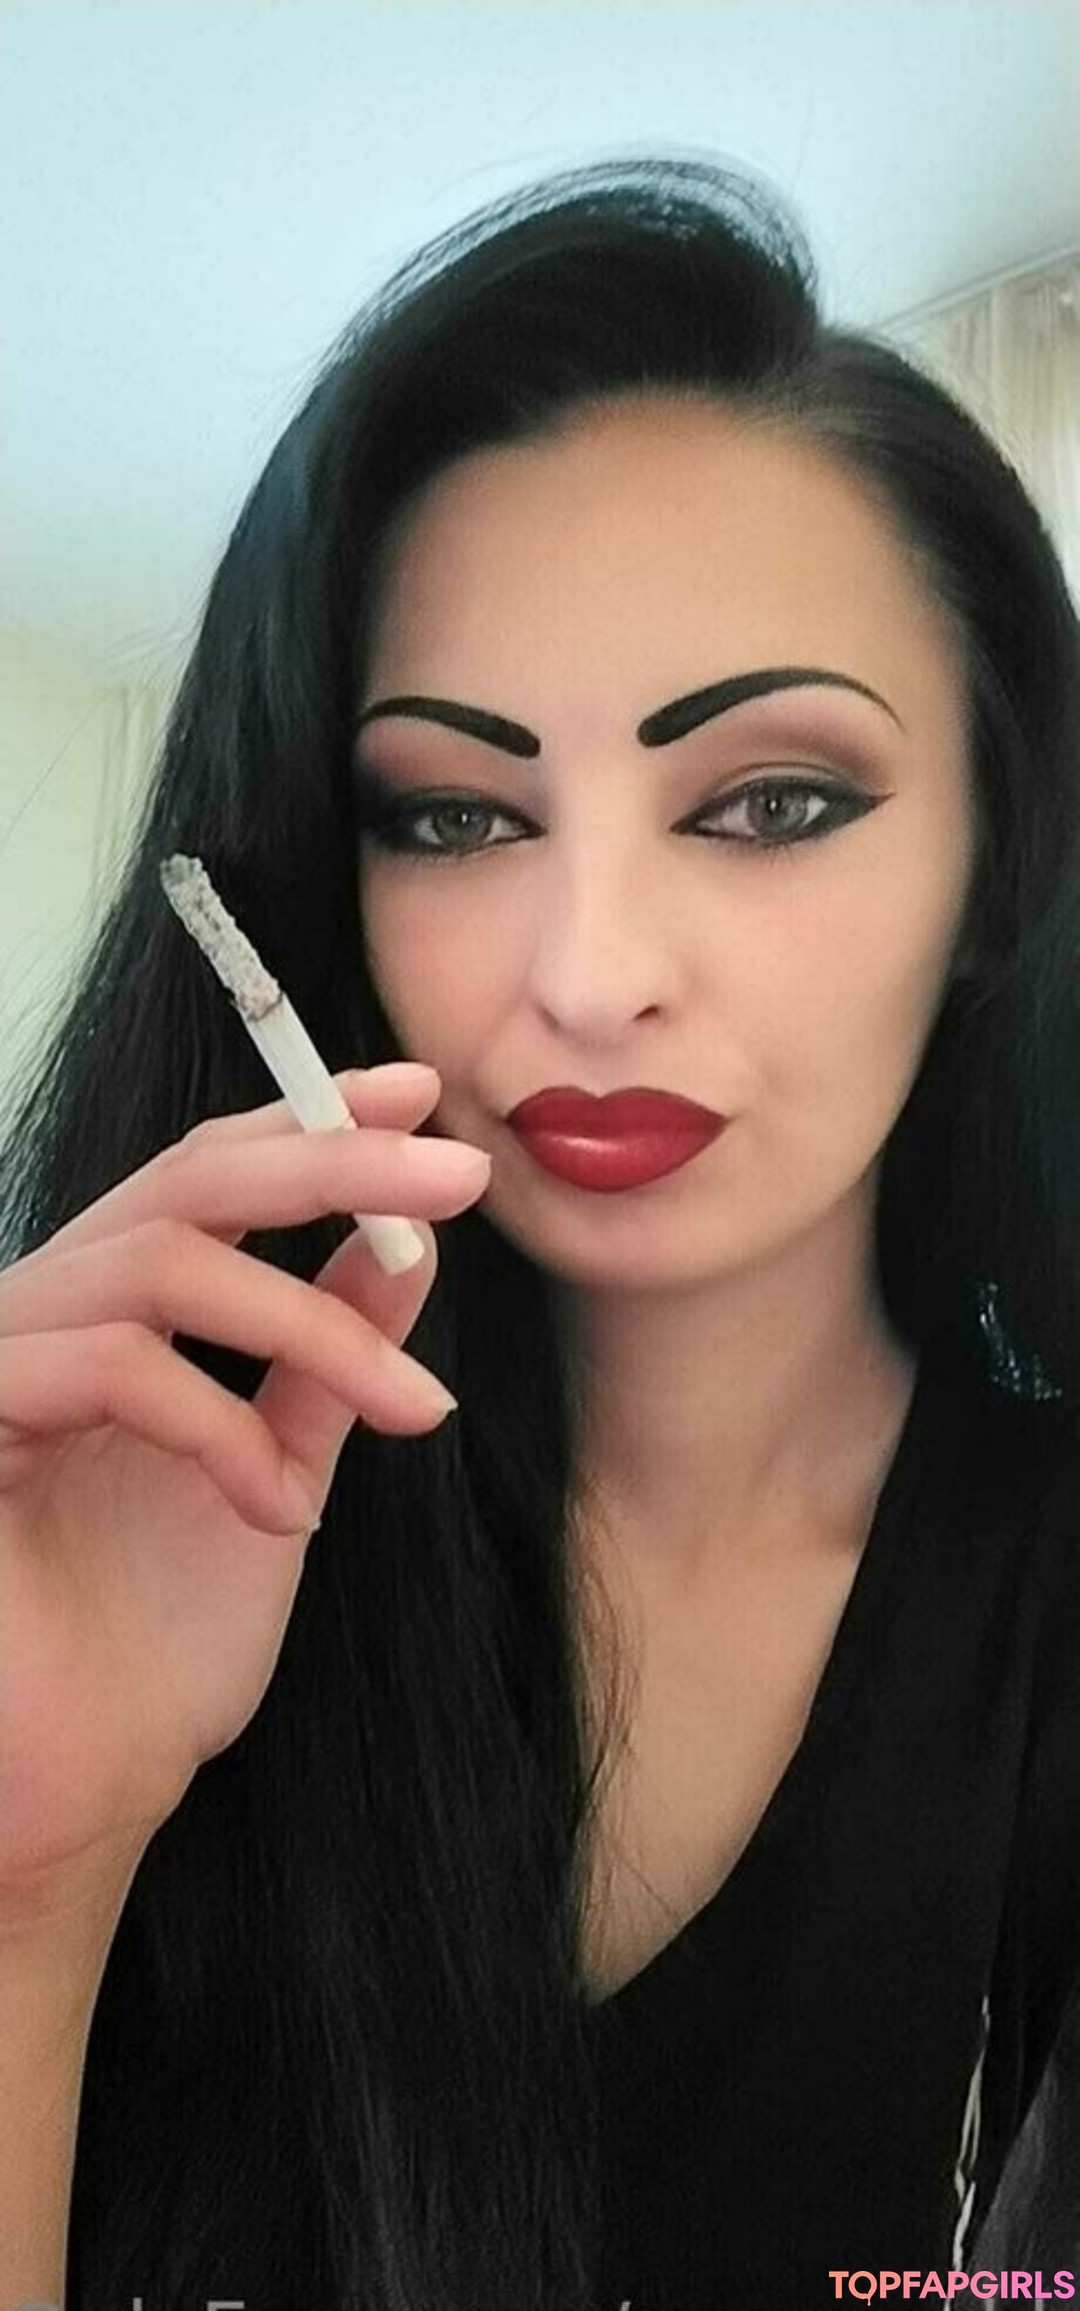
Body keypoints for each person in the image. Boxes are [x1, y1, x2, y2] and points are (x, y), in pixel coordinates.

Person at [2, 151, 1080, 2311]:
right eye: (455, 814)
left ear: (998, 862)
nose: (589, 977)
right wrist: (38, 1872)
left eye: (773, 800)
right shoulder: (144, 1522)